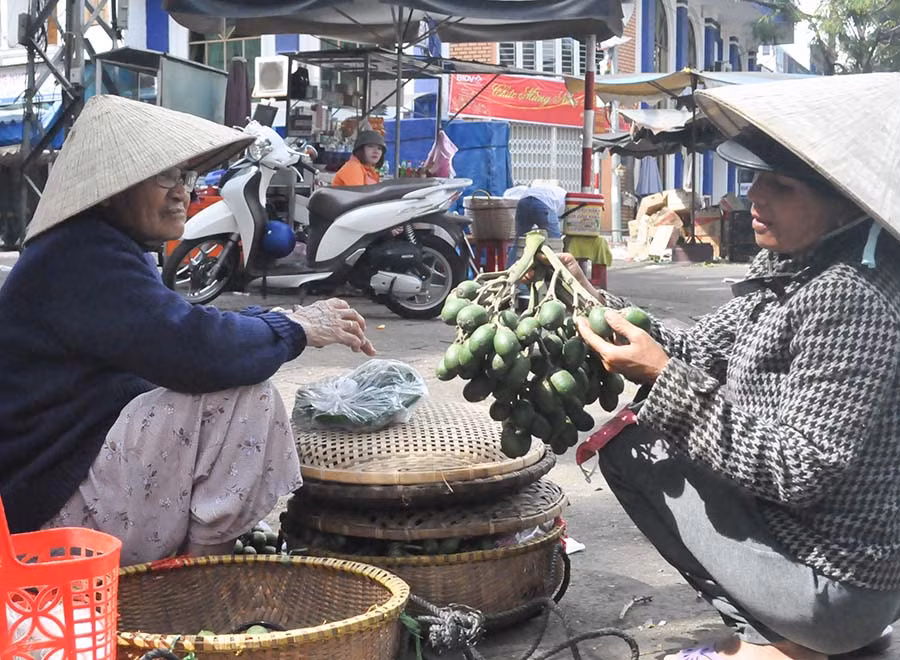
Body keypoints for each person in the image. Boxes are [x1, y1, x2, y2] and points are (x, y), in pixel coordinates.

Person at [564, 73, 900, 660]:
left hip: (839, 588)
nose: (755, 199)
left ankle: (779, 644)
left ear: (842, 203)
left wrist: (665, 381)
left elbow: (800, 470)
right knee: (650, 427)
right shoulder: (792, 272)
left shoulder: (847, 295)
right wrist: (587, 296)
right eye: (756, 182)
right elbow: (688, 348)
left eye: (782, 188)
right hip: (820, 564)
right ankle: (783, 638)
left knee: (634, 448)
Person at [0, 95, 376, 566]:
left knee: (227, 384)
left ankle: (190, 572)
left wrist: (281, 324)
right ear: (115, 188)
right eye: (165, 177)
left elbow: (186, 332)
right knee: (245, 401)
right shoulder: (82, 255)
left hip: (64, 483)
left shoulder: (99, 248)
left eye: (183, 176)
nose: (182, 191)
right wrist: (293, 328)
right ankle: (195, 583)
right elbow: (196, 349)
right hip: (44, 516)